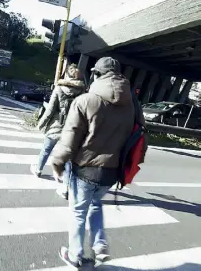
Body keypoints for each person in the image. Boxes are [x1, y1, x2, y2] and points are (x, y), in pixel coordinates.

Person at [51, 57, 139, 269]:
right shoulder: (132, 105)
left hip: (85, 170)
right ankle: (99, 245)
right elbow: (137, 135)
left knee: (78, 212)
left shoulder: (85, 101)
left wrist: (57, 163)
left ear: (96, 75)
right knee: (95, 203)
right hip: (111, 172)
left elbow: (70, 138)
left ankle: (75, 254)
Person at [30, 63, 85, 199]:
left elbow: (50, 110)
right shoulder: (83, 91)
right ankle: (65, 188)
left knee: (46, 149)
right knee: (69, 160)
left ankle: (38, 170)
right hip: (72, 130)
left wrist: (41, 124)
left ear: (66, 74)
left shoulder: (59, 89)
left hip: (56, 127)